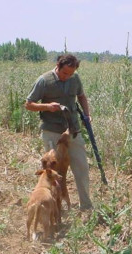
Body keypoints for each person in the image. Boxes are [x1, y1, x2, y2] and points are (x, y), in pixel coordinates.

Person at [24, 54, 93, 211]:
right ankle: (55, 208)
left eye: (70, 73)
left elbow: (81, 96)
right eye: (64, 73)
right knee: (53, 173)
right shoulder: (44, 80)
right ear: (58, 66)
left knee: (82, 168)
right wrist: (47, 107)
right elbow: (28, 104)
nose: (67, 77)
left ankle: (86, 207)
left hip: (73, 131)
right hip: (52, 132)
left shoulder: (75, 79)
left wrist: (87, 115)